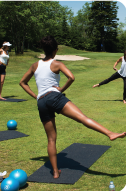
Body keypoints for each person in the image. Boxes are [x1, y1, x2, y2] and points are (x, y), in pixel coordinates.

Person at [19, 35, 126, 179]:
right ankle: (110, 133)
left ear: (44, 49)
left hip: (42, 102)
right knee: (82, 118)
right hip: (54, 96)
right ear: (55, 50)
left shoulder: (35, 65)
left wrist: (36, 96)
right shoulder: (57, 63)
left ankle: (55, 172)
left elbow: (22, 82)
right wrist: (60, 90)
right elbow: (72, 77)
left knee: (51, 139)